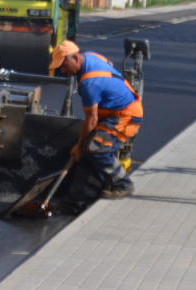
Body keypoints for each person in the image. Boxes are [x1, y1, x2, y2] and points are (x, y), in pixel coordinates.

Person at [48, 40, 143, 213]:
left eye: (64, 65)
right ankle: (78, 201)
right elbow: (110, 65)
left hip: (124, 115)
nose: (63, 71)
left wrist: (78, 147)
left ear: (75, 58)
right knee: (90, 146)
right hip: (114, 111)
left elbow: (91, 120)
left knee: (94, 148)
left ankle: (123, 183)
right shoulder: (91, 55)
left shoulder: (88, 83)